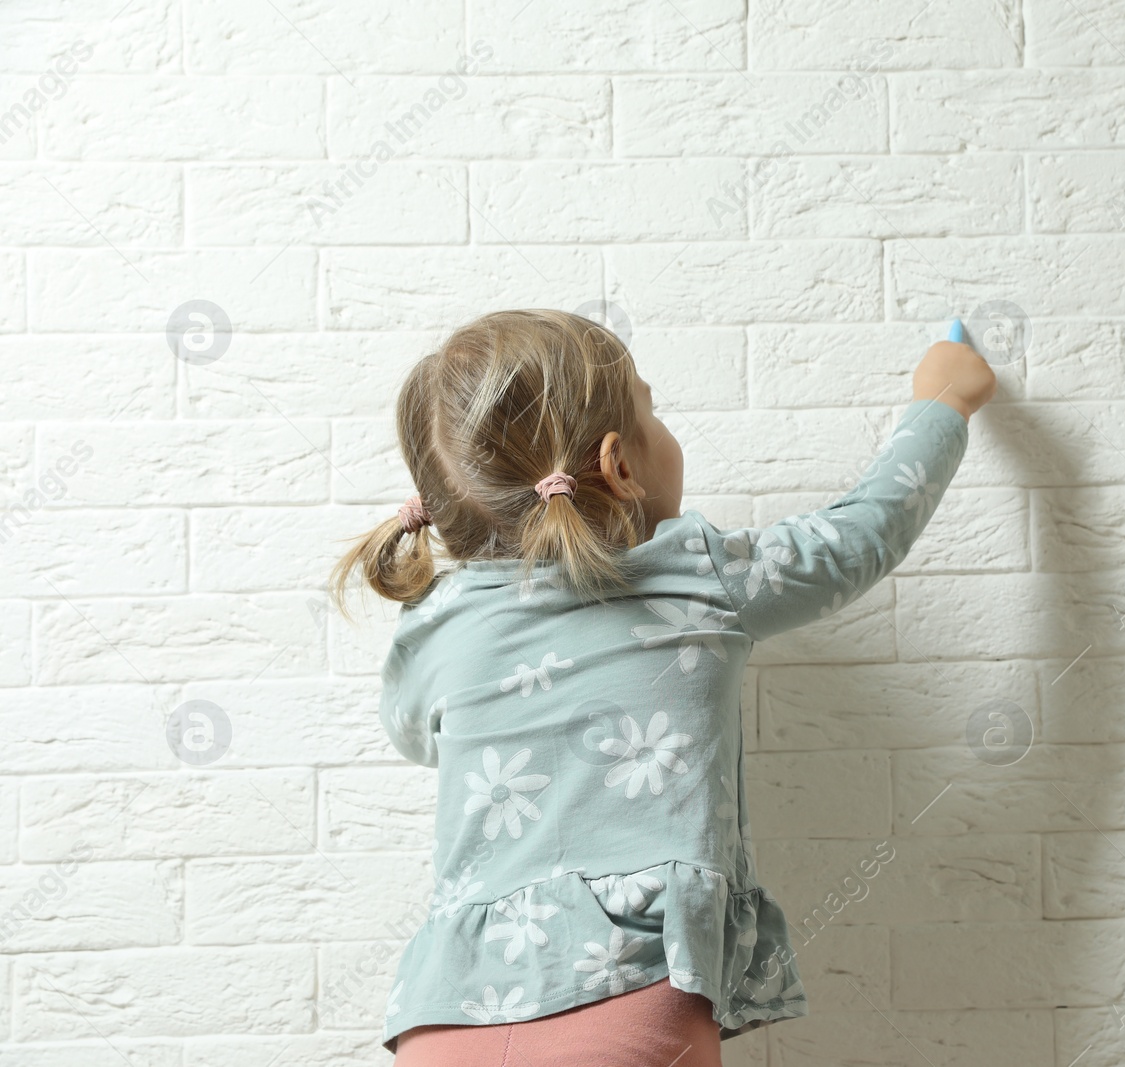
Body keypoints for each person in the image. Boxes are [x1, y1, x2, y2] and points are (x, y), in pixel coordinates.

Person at [328, 309, 997, 1065]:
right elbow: (863, 533)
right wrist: (943, 404)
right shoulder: (695, 576)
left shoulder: (438, 623)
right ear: (619, 465)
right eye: (653, 410)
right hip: (626, 999)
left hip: (446, 1015)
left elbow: (412, 731)